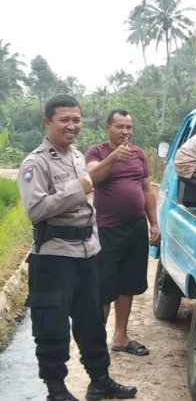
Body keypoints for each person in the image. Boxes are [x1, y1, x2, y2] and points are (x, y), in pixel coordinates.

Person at [18, 95, 137, 401]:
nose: (72, 126)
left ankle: (100, 380)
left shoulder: (77, 156)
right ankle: (56, 390)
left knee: (91, 322)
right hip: (54, 257)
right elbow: (37, 209)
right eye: (64, 120)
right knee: (52, 328)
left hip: (86, 253)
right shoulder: (36, 162)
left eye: (77, 120)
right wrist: (78, 187)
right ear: (47, 122)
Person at [85, 109, 159, 357]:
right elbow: (91, 177)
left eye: (129, 127)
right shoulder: (97, 152)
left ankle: (120, 337)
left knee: (128, 283)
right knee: (104, 286)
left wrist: (153, 223)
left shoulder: (139, 153)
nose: (125, 131)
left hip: (135, 227)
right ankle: (95, 343)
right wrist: (113, 158)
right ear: (108, 128)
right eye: (120, 126)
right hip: (107, 229)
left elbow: (147, 189)